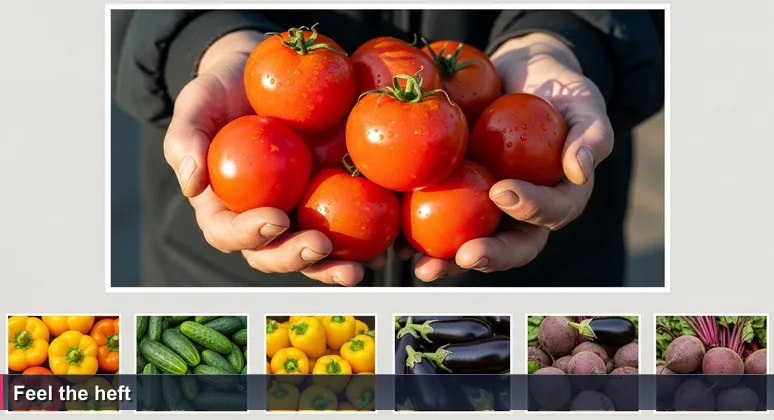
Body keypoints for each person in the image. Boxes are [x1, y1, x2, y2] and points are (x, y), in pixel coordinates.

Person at [112, 10, 664, 288]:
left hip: (532, 276)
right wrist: (201, 33)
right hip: (222, 282)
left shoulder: (450, 118)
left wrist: (570, 34)